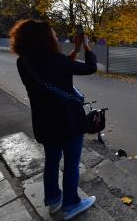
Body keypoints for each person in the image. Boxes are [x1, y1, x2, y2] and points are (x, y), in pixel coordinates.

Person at [10, 19, 97, 220]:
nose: (56, 36)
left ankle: (53, 199)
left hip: (44, 123)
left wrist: (73, 51)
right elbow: (90, 68)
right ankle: (71, 204)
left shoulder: (23, 61)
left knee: (51, 161)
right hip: (68, 123)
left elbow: (56, 68)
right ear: (44, 38)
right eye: (53, 33)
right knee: (71, 164)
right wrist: (85, 45)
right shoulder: (55, 60)